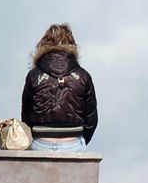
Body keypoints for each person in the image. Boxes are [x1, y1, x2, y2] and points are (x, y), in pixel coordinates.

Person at [22, 23, 97, 152]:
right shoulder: (83, 76)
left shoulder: (33, 75)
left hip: (40, 142)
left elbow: (26, 115)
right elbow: (91, 119)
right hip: (73, 142)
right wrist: (81, 140)